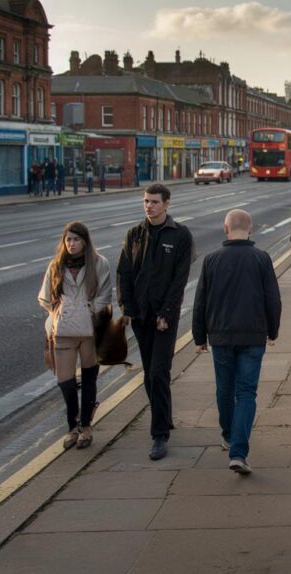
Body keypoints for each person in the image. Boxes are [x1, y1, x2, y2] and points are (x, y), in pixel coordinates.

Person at [193, 209, 281, 475]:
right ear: (251, 229)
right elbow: (273, 300)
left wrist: (199, 337)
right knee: (246, 393)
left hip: (220, 336)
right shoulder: (262, 259)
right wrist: (272, 331)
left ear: (225, 228)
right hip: (253, 336)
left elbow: (201, 302)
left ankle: (228, 434)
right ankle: (239, 453)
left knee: (224, 389)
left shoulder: (211, 260)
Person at [117, 183, 195, 460]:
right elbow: (124, 272)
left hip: (165, 316)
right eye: (146, 201)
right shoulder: (135, 235)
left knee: (158, 372)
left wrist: (167, 312)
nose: (149, 206)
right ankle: (165, 416)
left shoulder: (180, 235)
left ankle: (159, 434)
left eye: (154, 202)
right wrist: (126, 307)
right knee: (149, 372)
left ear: (167, 204)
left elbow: (180, 278)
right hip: (141, 315)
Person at [38, 222, 113, 450]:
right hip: (63, 332)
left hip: (89, 331)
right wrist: (58, 313)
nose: (71, 243)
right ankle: (72, 426)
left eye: (76, 239)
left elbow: (105, 294)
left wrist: (88, 309)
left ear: (85, 241)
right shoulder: (56, 265)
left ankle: (86, 427)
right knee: (66, 382)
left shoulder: (99, 263)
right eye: (68, 239)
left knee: (89, 379)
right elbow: (44, 297)